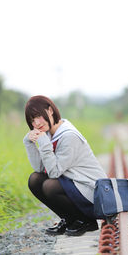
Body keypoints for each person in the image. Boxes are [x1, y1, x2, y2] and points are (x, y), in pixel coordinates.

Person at [23, 95, 107, 236]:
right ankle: (70, 219)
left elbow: (54, 173)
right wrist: (28, 142)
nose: (36, 123)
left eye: (38, 116)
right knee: (35, 179)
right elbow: (39, 168)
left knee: (50, 185)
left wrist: (43, 142)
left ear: (50, 110)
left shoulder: (68, 136)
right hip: (75, 185)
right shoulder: (50, 134)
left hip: (93, 192)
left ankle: (86, 221)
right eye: (32, 120)